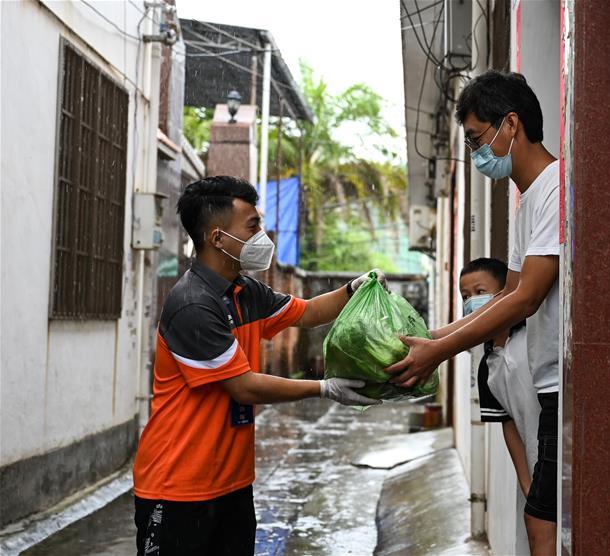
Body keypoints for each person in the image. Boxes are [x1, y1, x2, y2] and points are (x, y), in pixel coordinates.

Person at [132, 176, 382, 555]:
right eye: (252, 227)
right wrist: (323, 388)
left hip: (232, 484)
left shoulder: (246, 292)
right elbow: (243, 386)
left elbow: (310, 312)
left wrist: (353, 289)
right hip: (178, 485)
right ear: (218, 238)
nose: (262, 236)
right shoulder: (193, 304)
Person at [386, 70, 560, 555]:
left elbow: (525, 299)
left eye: (477, 139)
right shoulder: (529, 201)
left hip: (563, 389)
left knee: (542, 519)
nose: (476, 154)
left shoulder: (555, 188)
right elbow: (508, 296)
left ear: (511, 124)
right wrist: (434, 337)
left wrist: (438, 351)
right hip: (548, 388)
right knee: (544, 517)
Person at [460, 257, 539, 496]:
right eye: (465, 296)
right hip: (533, 474)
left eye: (480, 291)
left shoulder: (533, 340)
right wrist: (526, 484)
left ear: (506, 293)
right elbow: (509, 426)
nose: (472, 301)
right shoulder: (487, 364)